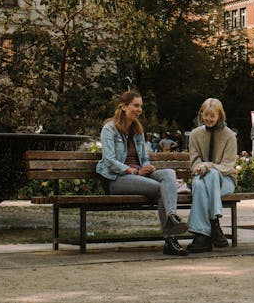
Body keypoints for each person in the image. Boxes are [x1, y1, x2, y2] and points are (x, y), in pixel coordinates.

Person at [96, 90, 188, 256]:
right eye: (135, 106)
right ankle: (170, 239)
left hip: (138, 175)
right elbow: (109, 161)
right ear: (124, 107)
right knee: (163, 188)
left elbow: (144, 157)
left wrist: (147, 167)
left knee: (168, 174)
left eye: (141, 107)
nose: (139, 110)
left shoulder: (137, 130)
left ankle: (171, 215)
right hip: (116, 178)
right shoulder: (109, 129)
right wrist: (134, 170)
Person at [186, 97, 237, 253]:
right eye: (205, 115)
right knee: (199, 184)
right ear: (201, 114)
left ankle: (202, 234)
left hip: (225, 180)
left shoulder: (229, 135)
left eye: (212, 116)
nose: (208, 119)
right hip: (201, 177)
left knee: (213, 174)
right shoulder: (195, 134)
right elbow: (194, 162)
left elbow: (228, 166)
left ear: (219, 116)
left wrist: (209, 166)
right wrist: (199, 168)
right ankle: (212, 226)